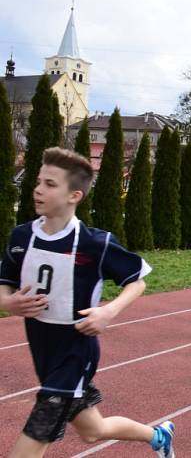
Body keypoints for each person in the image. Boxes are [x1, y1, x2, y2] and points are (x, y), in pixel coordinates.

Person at [0, 148, 175, 458]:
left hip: (75, 351)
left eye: (50, 184)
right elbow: (5, 285)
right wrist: (9, 303)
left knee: (35, 435)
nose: (38, 189)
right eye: (38, 181)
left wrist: (108, 311)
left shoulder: (96, 243)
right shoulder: (21, 237)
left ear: (74, 195)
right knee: (93, 430)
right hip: (42, 351)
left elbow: (137, 280)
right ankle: (158, 436)